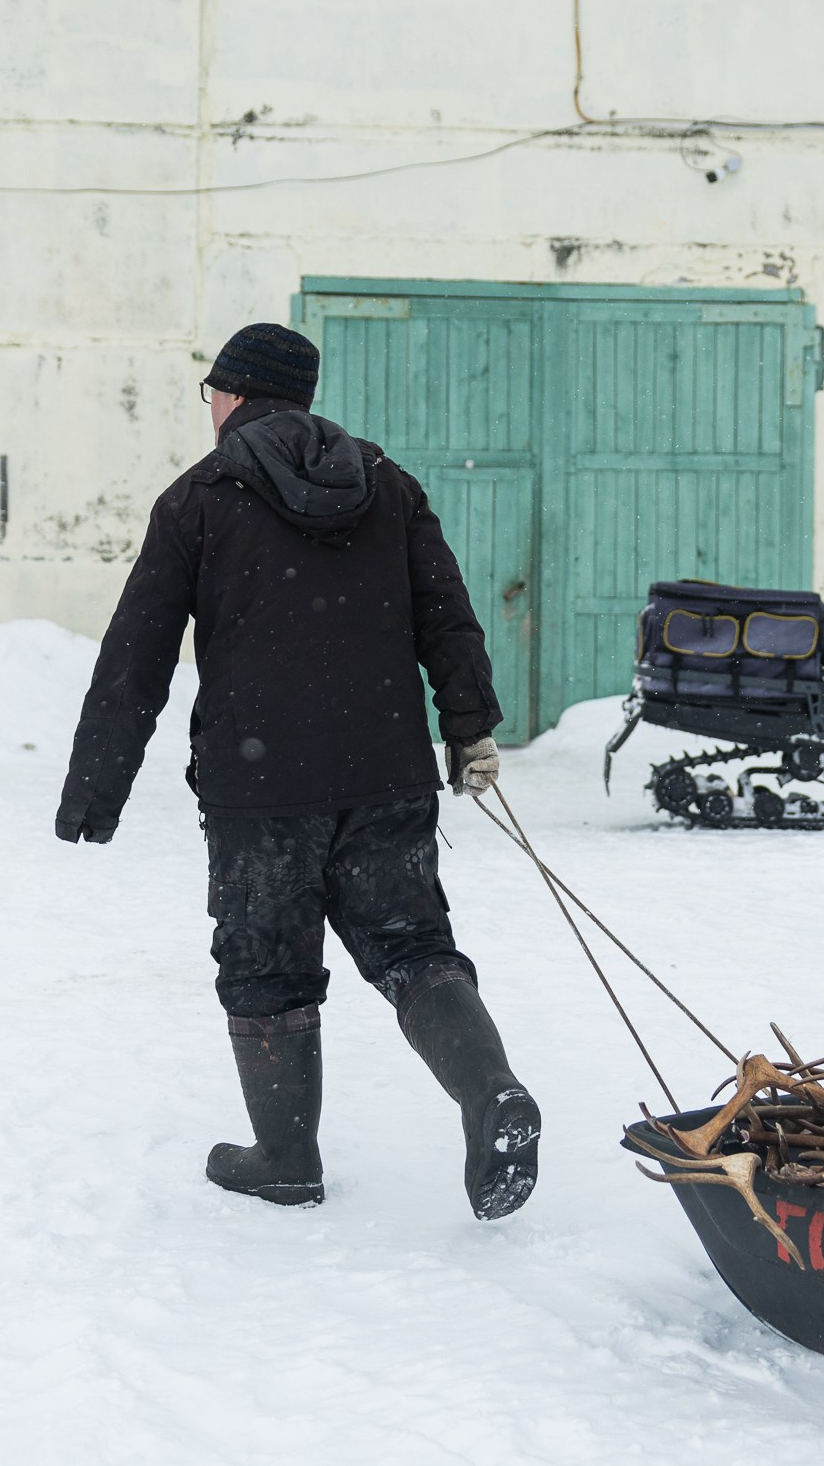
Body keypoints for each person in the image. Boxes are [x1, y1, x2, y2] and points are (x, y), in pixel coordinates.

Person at [55, 322, 540, 1220]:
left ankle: (286, 1157)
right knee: (415, 950)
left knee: (268, 968)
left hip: (261, 786)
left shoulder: (199, 497)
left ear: (234, 395)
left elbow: (137, 655)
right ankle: (491, 1094)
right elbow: (451, 617)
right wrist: (468, 728)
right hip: (387, 774)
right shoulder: (388, 486)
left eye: (213, 394)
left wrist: (96, 789)